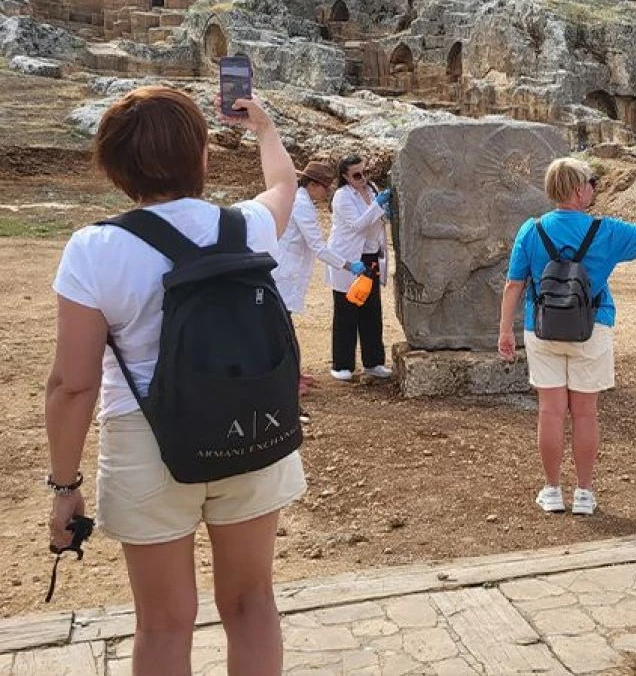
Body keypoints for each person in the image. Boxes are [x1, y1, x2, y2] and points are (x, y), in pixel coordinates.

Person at [45, 87, 305, 675]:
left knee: (163, 624)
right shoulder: (247, 227)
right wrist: (263, 127)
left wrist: (65, 488)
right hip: (251, 427)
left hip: (148, 440)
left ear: (114, 168)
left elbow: (72, 385)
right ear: (203, 156)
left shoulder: (94, 249)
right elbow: (285, 187)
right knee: (251, 602)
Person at [498, 158, 636, 516]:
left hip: (543, 327)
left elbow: (514, 284)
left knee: (549, 412)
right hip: (592, 327)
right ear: (579, 189)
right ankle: (584, 493)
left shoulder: (531, 230)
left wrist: (506, 330)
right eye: (591, 182)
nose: (594, 188)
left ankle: (552, 490)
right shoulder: (605, 230)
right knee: (585, 414)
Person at [272, 161, 363, 400]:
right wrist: (347, 264)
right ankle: (287, 380)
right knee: (282, 329)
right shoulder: (300, 205)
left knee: (285, 326)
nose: (328, 193)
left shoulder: (303, 201)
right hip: (285, 273)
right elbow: (318, 246)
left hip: (290, 270)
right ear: (313, 185)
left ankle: (293, 374)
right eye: (325, 187)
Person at [326, 154, 393, 381]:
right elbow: (357, 225)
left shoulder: (372, 189)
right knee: (347, 308)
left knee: (371, 308)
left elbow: (377, 219)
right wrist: (377, 205)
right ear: (345, 176)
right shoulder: (342, 197)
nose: (362, 178)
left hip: (370, 254)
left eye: (365, 172)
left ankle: (373, 361)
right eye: (356, 175)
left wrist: (384, 211)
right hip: (349, 257)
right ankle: (342, 363)